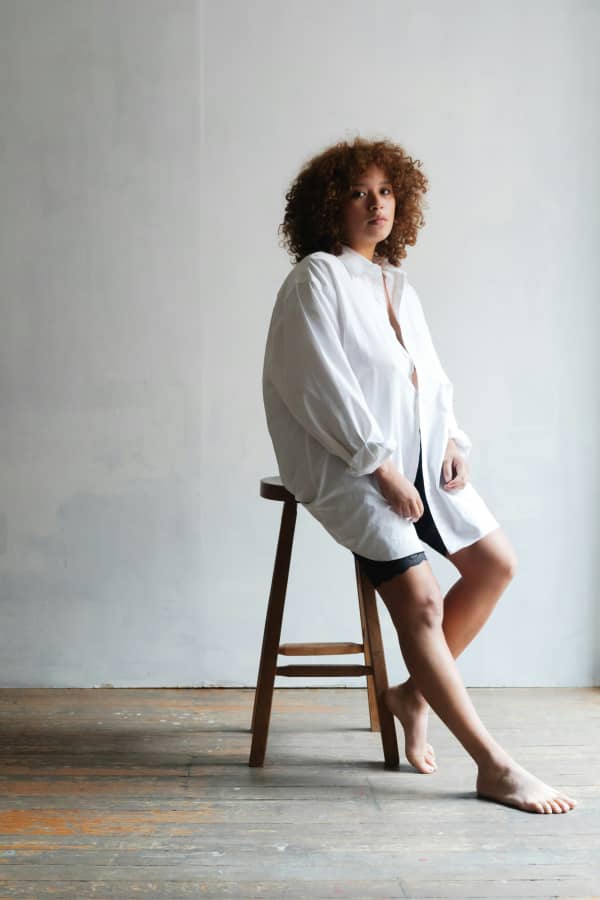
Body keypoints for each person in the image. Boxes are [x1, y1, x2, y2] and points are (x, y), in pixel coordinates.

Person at [262, 136, 576, 815]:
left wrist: (454, 439)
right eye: (357, 193)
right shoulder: (315, 279)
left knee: (495, 565)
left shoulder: (397, 285)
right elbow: (317, 386)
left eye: (385, 192)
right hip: (348, 466)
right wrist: (377, 465)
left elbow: (428, 382)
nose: (375, 204)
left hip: (418, 464)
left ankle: (410, 695)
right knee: (425, 601)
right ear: (329, 207)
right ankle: (494, 765)